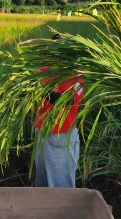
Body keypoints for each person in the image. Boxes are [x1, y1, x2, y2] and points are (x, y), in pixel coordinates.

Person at [33, 34, 84, 188]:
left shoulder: (76, 77)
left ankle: (64, 213)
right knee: (41, 185)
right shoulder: (41, 72)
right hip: (41, 134)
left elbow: (65, 100)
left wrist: (40, 90)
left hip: (62, 138)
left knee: (62, 188)